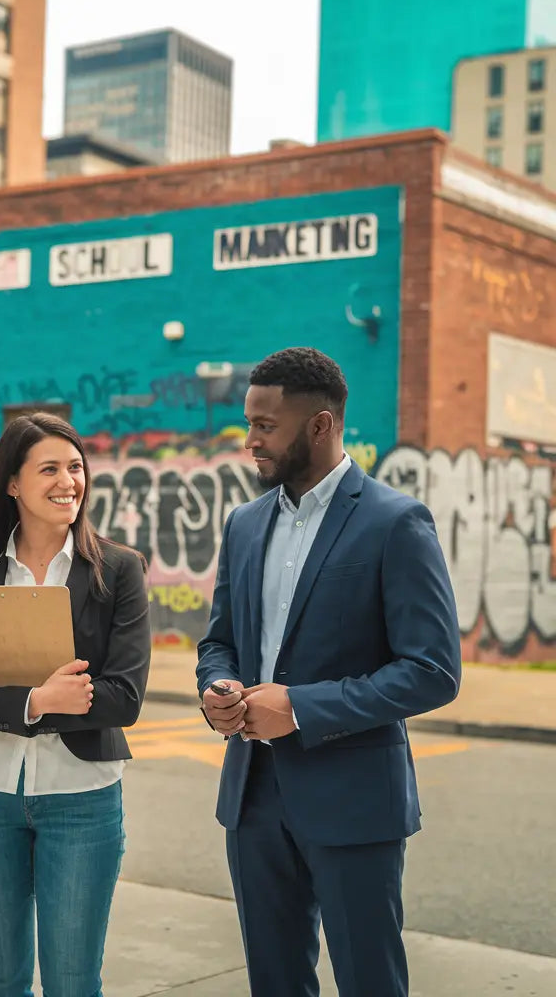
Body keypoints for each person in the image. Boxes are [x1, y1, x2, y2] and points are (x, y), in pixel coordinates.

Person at [196, 347, 461, 997]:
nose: (250, 440)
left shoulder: (395, 522)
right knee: (275, 983)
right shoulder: (244, 524)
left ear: (320, 426)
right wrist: (218, 689)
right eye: (249, 423)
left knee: (369, 981)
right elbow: (220, 640)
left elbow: (433, 670)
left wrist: (303, 707)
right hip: (253, 799)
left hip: (354, 803)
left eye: (266, 425)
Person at [0, 413, 151, 997]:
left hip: (83, 800)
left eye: (75, 467)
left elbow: (123, 699)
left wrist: (13, 702)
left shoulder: (119, 571)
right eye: (49, 468)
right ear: (12, 484)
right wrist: (36, 700)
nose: (67, 481)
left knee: (73, 984)